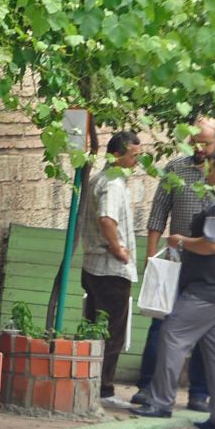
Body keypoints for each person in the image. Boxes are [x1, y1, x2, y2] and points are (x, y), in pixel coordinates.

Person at [131, 153, 215, 429]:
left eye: (212, 172)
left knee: (172, 335)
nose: (208, 177)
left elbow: (214, 244)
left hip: (207, 289)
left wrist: (182, 241)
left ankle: (161, 402)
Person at [132, 117, 215, 411]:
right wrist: (151, 254)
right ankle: (147, 386)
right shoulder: (176, 169)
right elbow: (158, 213)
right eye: (194, 142)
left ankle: (199, 393)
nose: (199, 148)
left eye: (205, 143)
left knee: (207, 329)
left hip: (210, 264)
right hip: (175, 260)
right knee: (161, 323)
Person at [78, 132, 142, 409]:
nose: (137, 161)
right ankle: (104, 388)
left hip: (94, 266)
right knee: (111, 331)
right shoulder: (113, 183)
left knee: (96, 327)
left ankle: (92, 383)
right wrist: (118, 249)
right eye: (133, 156)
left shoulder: (100, 179)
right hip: (109, 269)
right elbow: (107, 218)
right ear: (118, 155)